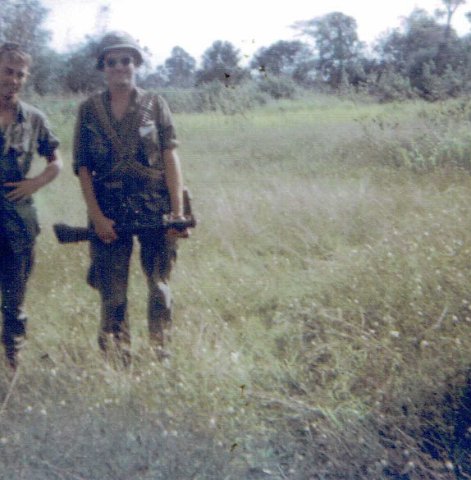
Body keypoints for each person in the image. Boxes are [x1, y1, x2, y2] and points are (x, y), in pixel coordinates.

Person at [73, 31, 188, 366]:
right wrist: (96, 217)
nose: (120, 67)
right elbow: (83, 168)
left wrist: (177, 212)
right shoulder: (89, 111)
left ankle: (160, 356)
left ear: (136, 64)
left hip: (155, 207)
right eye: (113, 62)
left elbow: (170, 157)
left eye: (127, 60)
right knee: (113, 297)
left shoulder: (156, 104)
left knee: (159, 289)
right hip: (109, 211)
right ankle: (117, 364)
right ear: (103, 67)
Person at [0, 42, 62, 369]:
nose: (12, 79)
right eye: (7, 71)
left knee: (14, 300)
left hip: (17, 223)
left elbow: (56, 161)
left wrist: (35, 183)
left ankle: (13, 365)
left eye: (19, 74)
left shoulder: (34, 118)